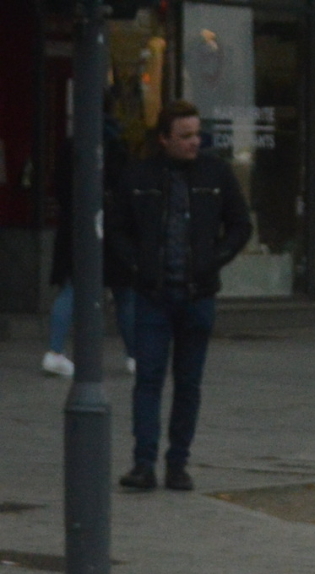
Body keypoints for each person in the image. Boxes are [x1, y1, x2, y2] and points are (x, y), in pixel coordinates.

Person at [105, 101, 251, 493]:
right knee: (148, 379)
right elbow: (117, 228)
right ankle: (143, 463)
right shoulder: (139, 176)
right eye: (184, 136)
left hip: (197, 294)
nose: (194, 142)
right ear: (164, 139)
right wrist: (137, 267)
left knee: (189, 383)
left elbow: (240, 224)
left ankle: (178, 463)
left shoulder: (214, 173)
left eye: (196, 134)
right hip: (153, 295)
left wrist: (216, 258)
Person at [41, 115, 136, 379]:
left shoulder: (70, 146)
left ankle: (55, 351)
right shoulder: (117, 149)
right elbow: (125, 191)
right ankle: (134, 355)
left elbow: (58, 186)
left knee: (72, 287)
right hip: (109, 227)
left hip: (74, 226)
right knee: (125, 293)